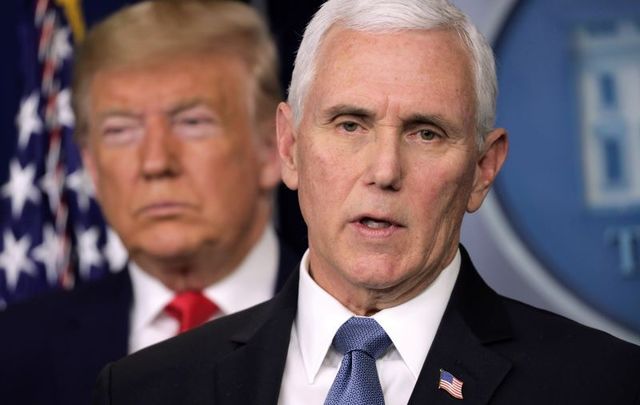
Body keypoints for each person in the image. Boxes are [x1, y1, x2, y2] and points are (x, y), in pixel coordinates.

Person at [91, 0, 640, 404]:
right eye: (350, 124)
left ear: (481, 170)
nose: (384, 171)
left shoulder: (603, 386)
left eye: (425, 133)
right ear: (289, 147)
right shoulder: (144, 389)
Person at [0, 1, 298, 405]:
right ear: (90, 162)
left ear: (272, 149)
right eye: (121, 130)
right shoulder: (13, 352)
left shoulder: (357, 329)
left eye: (192, 122)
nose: (155, 162)